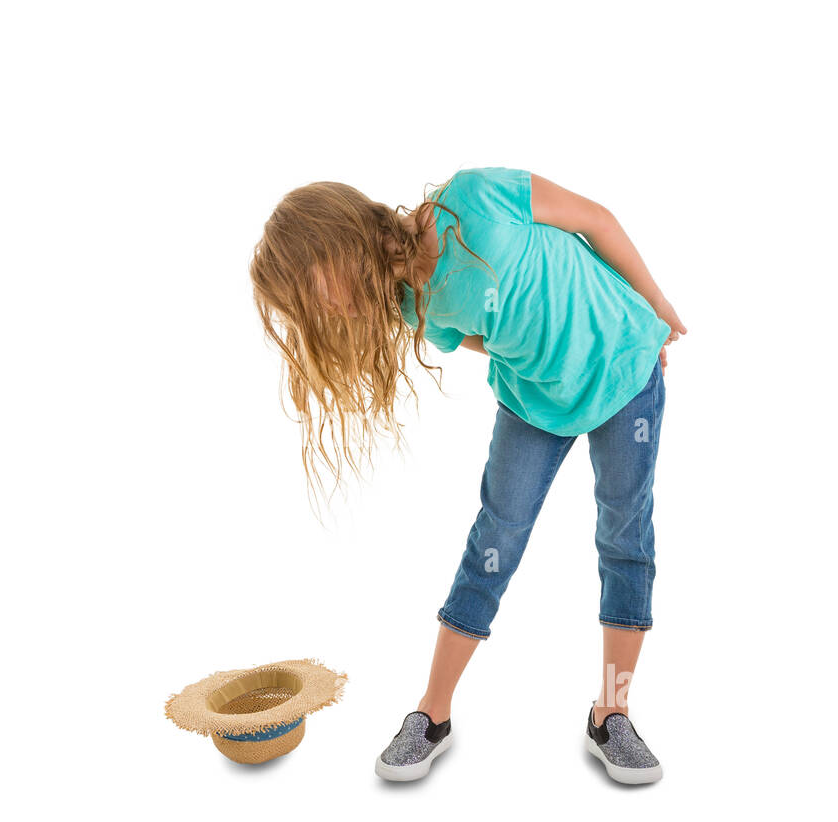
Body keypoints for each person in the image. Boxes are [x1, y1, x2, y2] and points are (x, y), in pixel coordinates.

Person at [249, 167, 686, 784]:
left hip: (627, 377)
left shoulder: (475, 197)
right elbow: (487, 336)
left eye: (309, 289)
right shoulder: (410, 304)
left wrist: (652, 309)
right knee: (494, 540)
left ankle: (611, 713)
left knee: (625, 539)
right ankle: (432, 714)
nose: (319, 309)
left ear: (337, 243)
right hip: (535, 404)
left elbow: (595, 221)